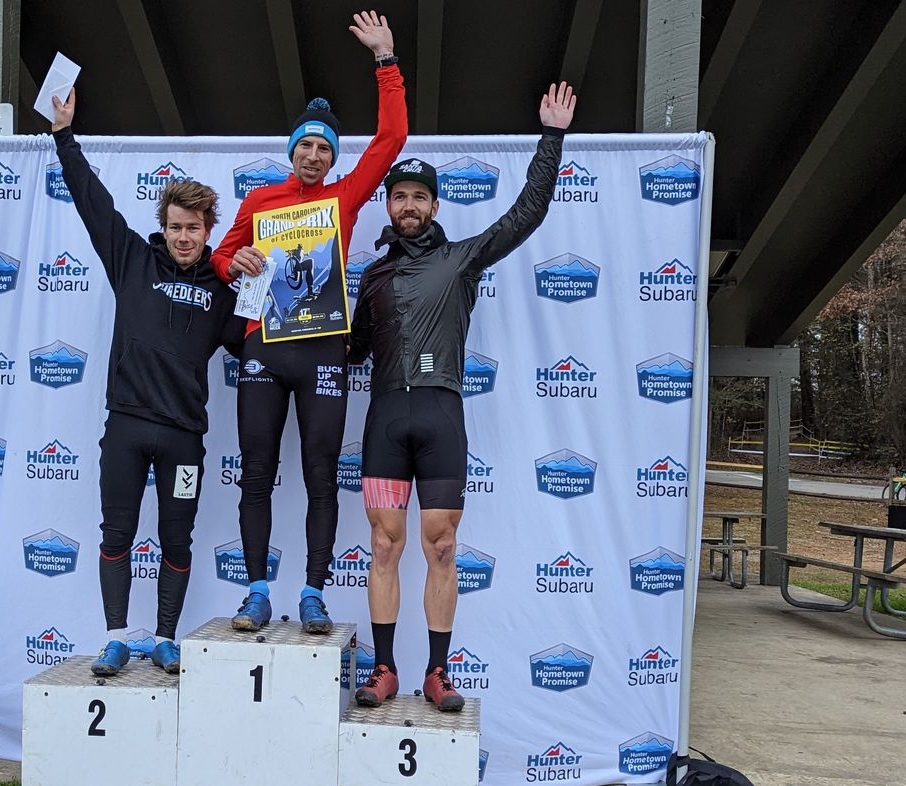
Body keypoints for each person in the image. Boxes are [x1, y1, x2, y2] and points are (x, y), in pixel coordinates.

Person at [348, 82, 577, 710]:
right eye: (400, 197)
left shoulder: (463, 257)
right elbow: (350, 351)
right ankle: (386, 668)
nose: (409, 206)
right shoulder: (371, 275)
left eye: (420, 196)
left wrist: (551, 136)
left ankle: (438, 672)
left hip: (443, 412)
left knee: (442, 545)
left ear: (434, 204)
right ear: (388, 206)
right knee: (385, 544)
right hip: (386, 417)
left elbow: (526, 214)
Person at [211, 10, 407, 634]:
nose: (315, 155)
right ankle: (257, 592)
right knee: (257, 474)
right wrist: (231, 260)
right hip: (264, 350)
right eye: (307, 145)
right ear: (291, 150)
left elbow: (391, 142)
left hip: (323, 350)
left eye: (325, 147)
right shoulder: (259, 199)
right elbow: (221, 256)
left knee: (322, 478)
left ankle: (315, 592)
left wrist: (386, 62)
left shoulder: (343, 197)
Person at [49, 88, 243, 676]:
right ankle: (115, 636)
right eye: (177, 227)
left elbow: (260, 339)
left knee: (176, 540)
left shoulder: (224, 289)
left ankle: (164, 637)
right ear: (164, 226)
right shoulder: (132, 260)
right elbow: (93, 203)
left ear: (211, 230)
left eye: (196, 229)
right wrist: (64, 134)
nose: (186, 237)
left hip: (184, 438)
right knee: (118, 532)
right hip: (128, 428)